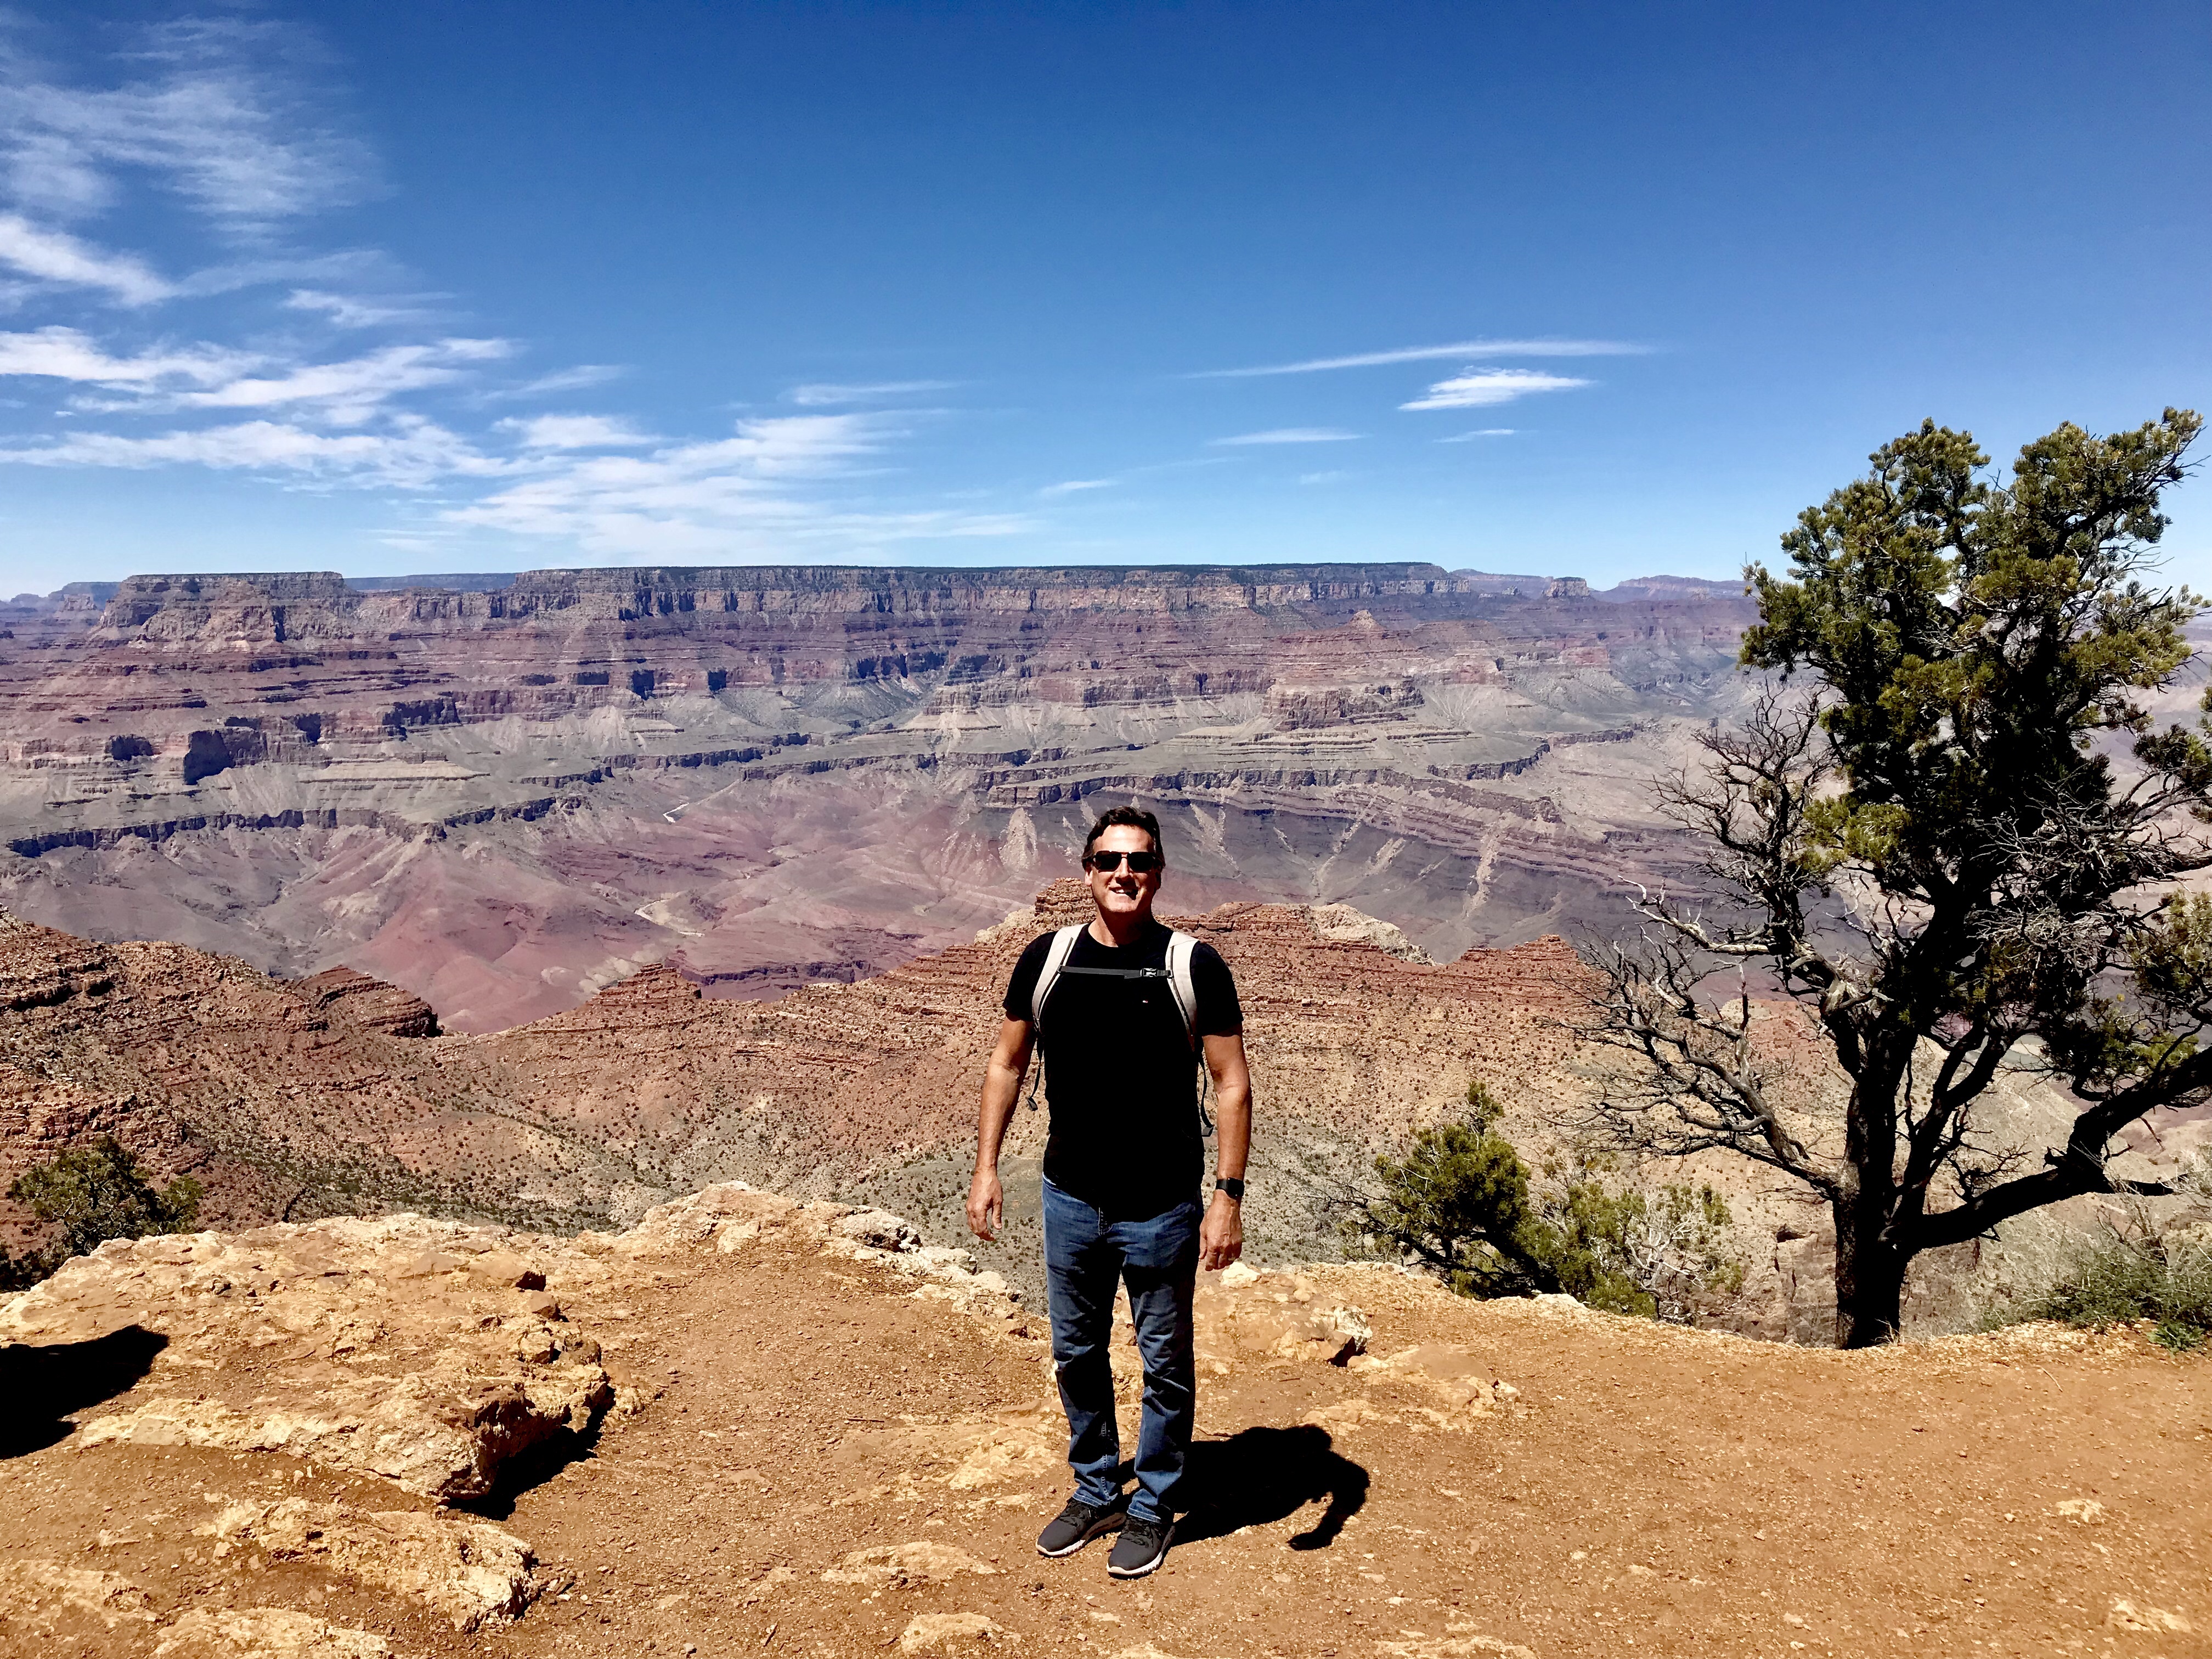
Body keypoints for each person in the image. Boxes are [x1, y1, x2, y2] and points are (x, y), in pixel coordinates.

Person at [966, 805, 1252, 1579]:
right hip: (1069, 1198)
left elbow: (1230, 1083)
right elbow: (1006, 1064)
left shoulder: (1194, 965)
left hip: (1161, 1206)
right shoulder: (1047, 958)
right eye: (1109, 861)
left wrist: (1226, 1197)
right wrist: (987, 1166)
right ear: (1087, 871)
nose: (1124, 873)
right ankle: (1096, 1488)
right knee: (1076, 1353)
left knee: (1164, 1362)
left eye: (1139, 861)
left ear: (1159, 872)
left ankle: (1154, 1502)